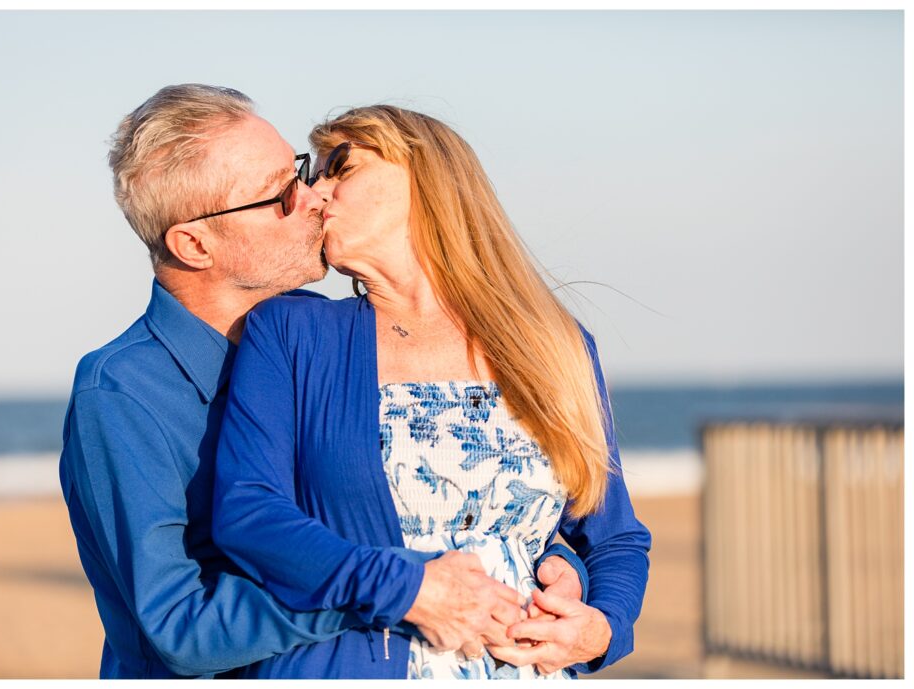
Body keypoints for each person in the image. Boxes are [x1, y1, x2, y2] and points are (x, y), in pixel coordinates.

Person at [58, 84, 588, 679]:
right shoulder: (122, 393)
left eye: (301, 173)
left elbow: (409, 507)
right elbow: (182, 628)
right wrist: (399, 590)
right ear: (194, 244)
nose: (314, 197)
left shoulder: (318, 342)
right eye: (279, 194)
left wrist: (544, 559)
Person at [211, 106, 653, 679]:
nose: (316, 193)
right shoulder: (291, 333)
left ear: (429, 175)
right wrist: (409, 589)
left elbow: (613, 538)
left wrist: (601, 629)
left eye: (340, 166)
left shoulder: (555, 344)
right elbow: (249, 513)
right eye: (313, 175)